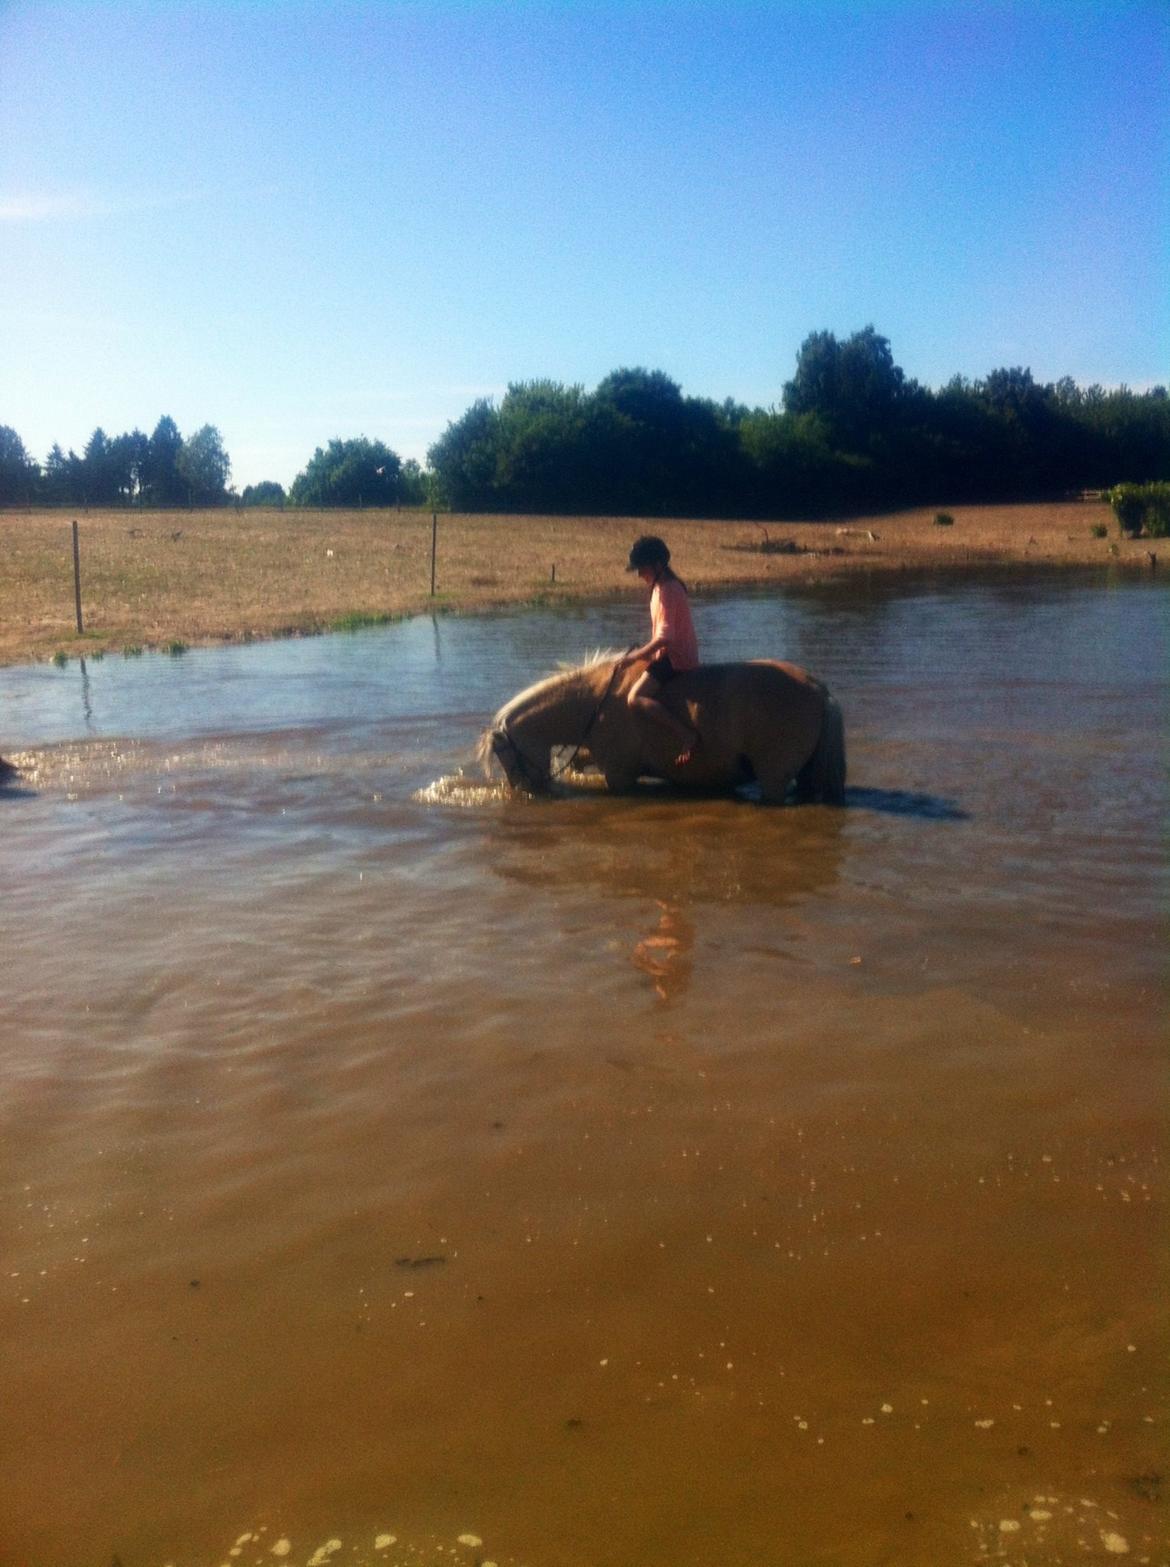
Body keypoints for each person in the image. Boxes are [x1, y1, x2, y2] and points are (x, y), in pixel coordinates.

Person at [618, 535, 701, 765]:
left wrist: (636, 656)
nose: (638, 574)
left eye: (641, 568)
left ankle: (686, 735)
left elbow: (665, 638)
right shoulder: (659, 587)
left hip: (675, 658)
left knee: (635, 698)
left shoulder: (668, 590)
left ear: (657, 565)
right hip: (666, 655)